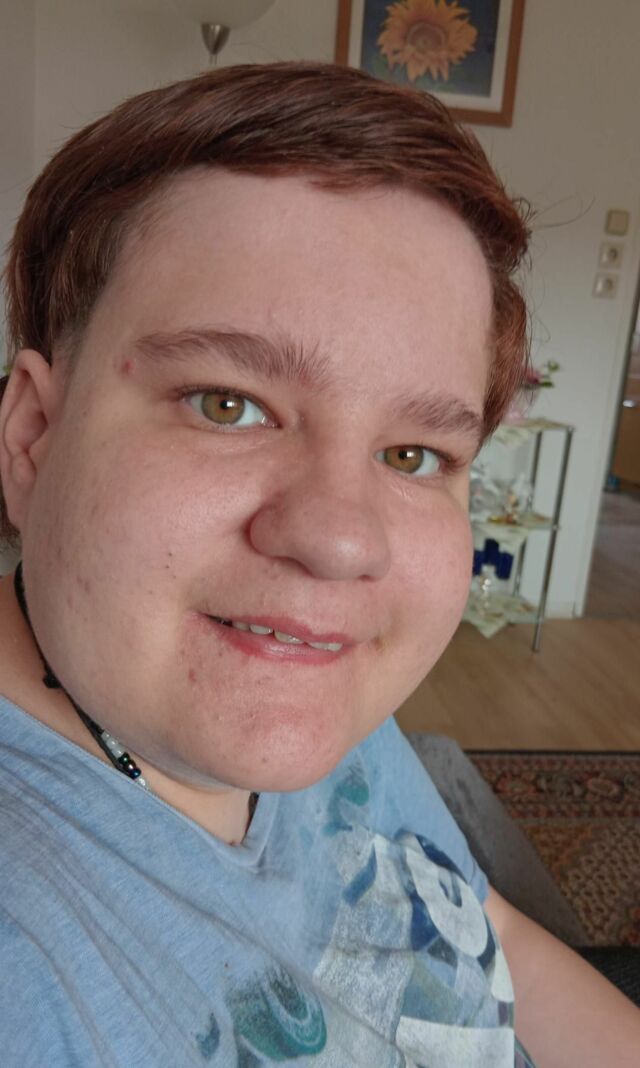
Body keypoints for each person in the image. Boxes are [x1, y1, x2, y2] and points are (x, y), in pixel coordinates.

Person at [0, 61, 637, 1068]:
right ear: (33, 435)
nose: (342, 543)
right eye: (227, 405)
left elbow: (491, 934)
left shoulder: (294, 667)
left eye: (412, 455)